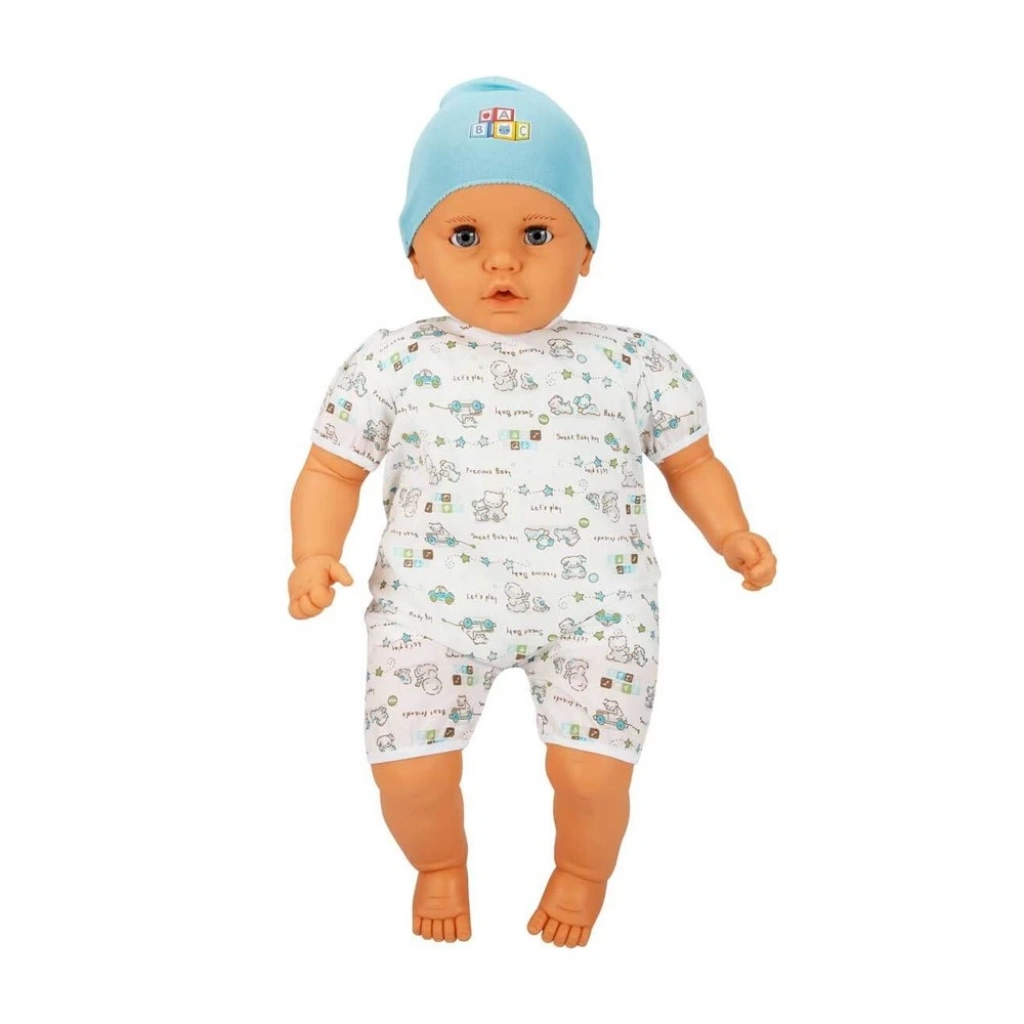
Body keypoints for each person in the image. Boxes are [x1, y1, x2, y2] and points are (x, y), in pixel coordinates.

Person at [288, 77, 777, 947]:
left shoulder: (635, 363)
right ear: (414, 253)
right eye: (465, 235)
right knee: (409, 775)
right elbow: (331, 468)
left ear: (587, 249)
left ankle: (583, 874)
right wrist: (312, 552)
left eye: (539, 234)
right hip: (429, 611)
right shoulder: (390, 364)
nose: (502, 263)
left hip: (597, 611)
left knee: (593, 778)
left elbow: (691, 461)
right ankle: (439, 864)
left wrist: (730, 533)